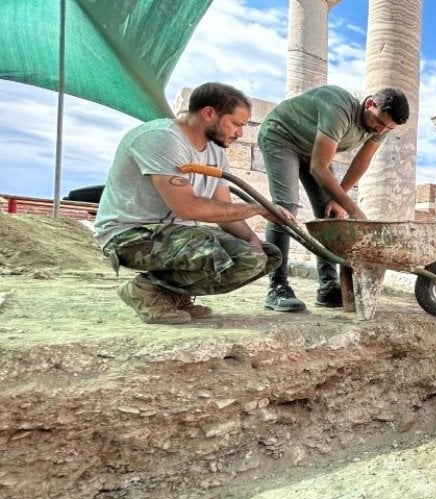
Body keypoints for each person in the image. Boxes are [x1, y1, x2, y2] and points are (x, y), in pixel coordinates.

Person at [94, 82, 286, 325]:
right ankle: (144, 290)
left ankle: (173, 295)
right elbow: (188, 208)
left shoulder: (215, 153)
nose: (240, 133)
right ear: (208, 114)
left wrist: (252, 243)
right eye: (236, 124)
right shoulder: (161, 138)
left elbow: (224, 210)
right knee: (206, 248)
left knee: (266, 256)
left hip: (177, 236)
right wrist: (259, 209)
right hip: (129, 235)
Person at [257, 84, 409, 312]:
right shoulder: (339, 108)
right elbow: (319, 168)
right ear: (370, 104)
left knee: (330, 212)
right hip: (281, 137)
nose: (379, 131)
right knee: (284, 208)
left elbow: (361, 161)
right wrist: (354, 209)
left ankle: (328, 287)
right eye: (379, 122)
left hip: (311, 150)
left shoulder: (381, 126)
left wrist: (340, 200)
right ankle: (277, 287)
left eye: (387, 128)